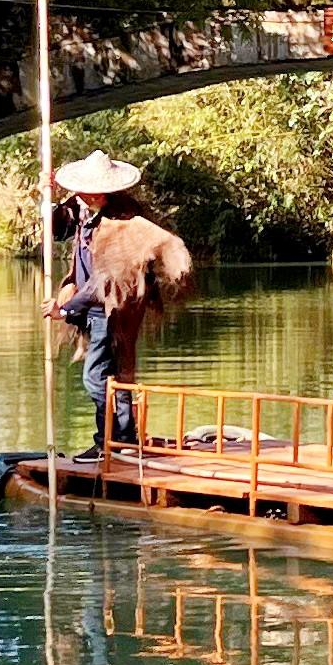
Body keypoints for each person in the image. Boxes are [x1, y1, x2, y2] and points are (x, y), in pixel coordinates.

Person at [46, 154, 194, 456]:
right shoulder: (85, 208)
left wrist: (65, 308)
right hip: (95, 309)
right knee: (112, 375)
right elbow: (59, 229)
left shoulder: (122, 225)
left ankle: (117, 439)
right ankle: (118, 441)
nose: (78, 195)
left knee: (96, 377)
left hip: (112, 311)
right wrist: (50, 197)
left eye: (83, 190)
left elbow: (102, 283)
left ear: (100, 193)